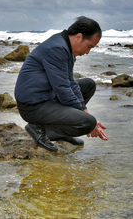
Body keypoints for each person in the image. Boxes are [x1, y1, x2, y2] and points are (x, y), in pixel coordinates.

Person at [14, 16, 108, 151]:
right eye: (89, 46)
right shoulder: (57, 48)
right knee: (88, 122)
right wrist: (88, 119)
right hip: (33, 105)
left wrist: (84, 110)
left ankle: (59, 133)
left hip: (47, 96)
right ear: (78, 37)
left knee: (88, 85)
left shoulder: (65, 46)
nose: (87, 52)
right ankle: (38, 129)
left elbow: (70, 82)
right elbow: (63, 89)